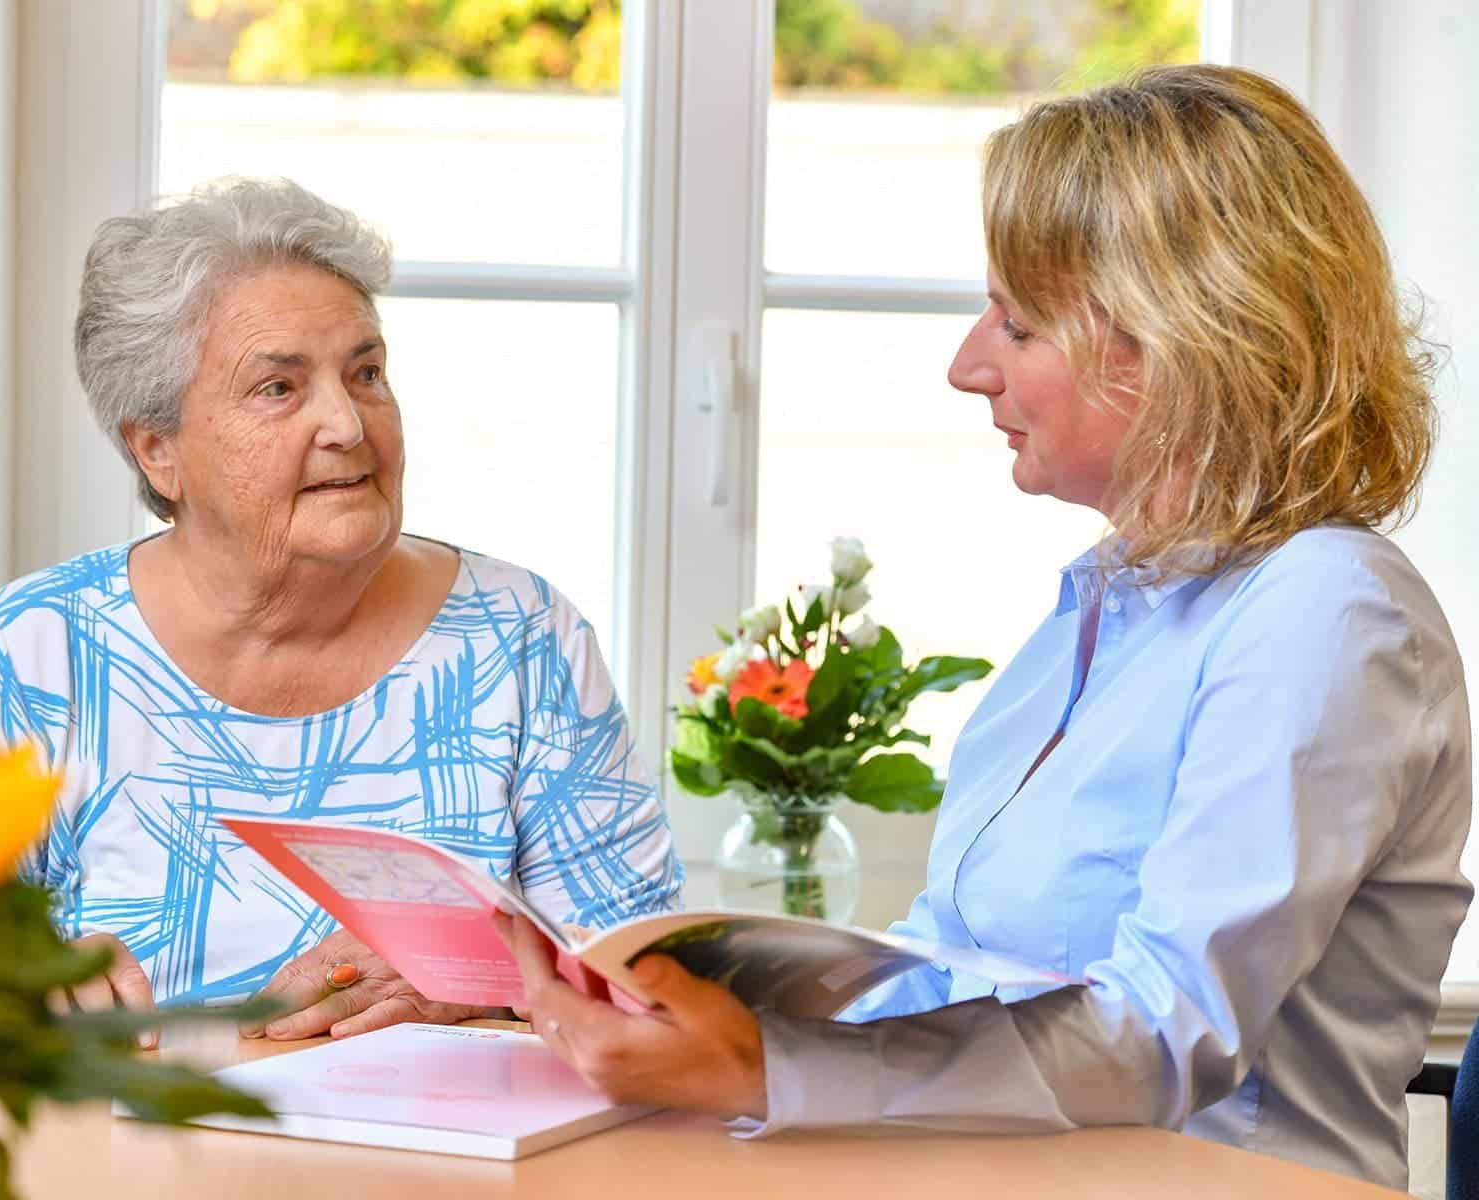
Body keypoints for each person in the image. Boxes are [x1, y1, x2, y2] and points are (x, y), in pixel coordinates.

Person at [497, 64, 1470, 1188]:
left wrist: (769, 1067)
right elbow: (957, 971)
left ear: (1172, 342)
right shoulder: (1108, 607)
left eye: (1018, 322)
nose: (969, 366)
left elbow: (1165, 1033)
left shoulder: (1326, 612)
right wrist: (687, 1002)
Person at [0, 178, 682, 1043]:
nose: (347, 422)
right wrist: (22, 981)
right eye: (279, 388)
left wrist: (482, 979)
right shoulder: (41, 650)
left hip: (449, 1168)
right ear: (158, 451)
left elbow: (655, 987)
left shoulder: (521, 637)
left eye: (365, 372)